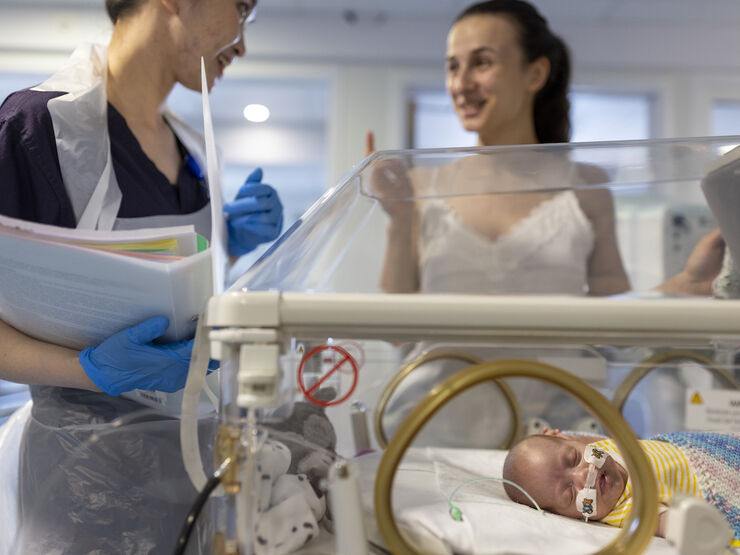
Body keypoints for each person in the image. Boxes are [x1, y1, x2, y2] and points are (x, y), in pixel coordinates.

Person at [371, 0, 726, 448]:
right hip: (433, 428)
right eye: (452, 66)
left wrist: (682, 285)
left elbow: (613, 325)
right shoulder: (420, 187)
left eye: (481, 63)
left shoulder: (586, 188)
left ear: (535, 74)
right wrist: (400, 218)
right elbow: (394, 333)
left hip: (554, 438)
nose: (461, 84)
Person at [0, 0, 283, 552]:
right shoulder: (42, 130)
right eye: (242, 8)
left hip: (188, 465)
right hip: (80, 481)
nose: (243, 42)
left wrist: (224, 247)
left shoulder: (193, 148)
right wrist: (87, 370)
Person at [502, 429, 740, 541]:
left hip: (712, 448)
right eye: (569, 492)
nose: (585, 476)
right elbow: (662, 522)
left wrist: (562, 434)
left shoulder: (606, 447)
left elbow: (582, 440)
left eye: (573, 459)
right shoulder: (623, 510)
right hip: (722, 487)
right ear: (571, 516)